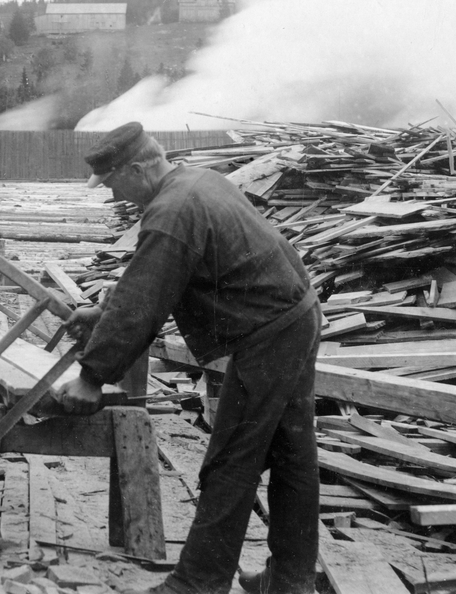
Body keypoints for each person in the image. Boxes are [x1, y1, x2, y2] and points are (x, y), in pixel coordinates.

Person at [50, 123, 321, 594]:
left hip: (271, 336)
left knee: (231, 459)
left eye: (113, 181)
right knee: (292, 453)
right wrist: (104, 311)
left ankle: (198, 584)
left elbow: (144, 299)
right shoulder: (195, 181)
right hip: (294, 318)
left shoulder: (172, 210)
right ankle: (291, 581)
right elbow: (152, 277)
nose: (113, 194)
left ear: (136, 168)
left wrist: (91, 377)